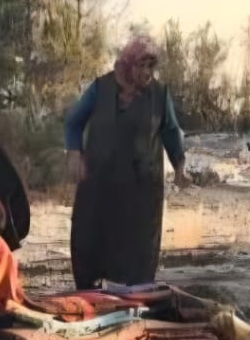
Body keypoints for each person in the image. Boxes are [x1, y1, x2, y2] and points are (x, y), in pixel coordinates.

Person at [65, 34, 189, 291]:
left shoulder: (159, 95)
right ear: (127, 64)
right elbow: (74, 121)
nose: (146, 72)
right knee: (90, 240)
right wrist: (75, 153)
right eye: (141, 65)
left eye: (151, 66)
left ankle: (135, 301)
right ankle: (91, 296)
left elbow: (171, 131)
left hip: (141, 188)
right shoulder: (101, 88)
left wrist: (179, 166)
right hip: (99, 184)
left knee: (138, 250)